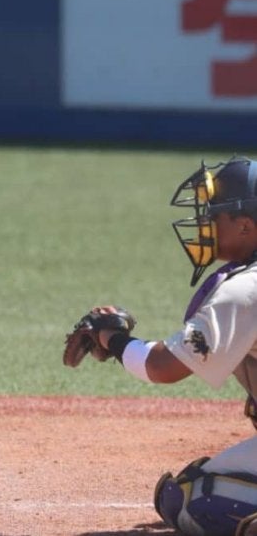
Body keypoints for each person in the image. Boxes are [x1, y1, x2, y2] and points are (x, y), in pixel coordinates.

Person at [80, 157, 257, 536]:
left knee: (194, 498)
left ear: (245, 224)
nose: (205, 222)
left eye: (216, 214)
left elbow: (162, 367)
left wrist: (111, 338)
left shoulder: (245, 290)